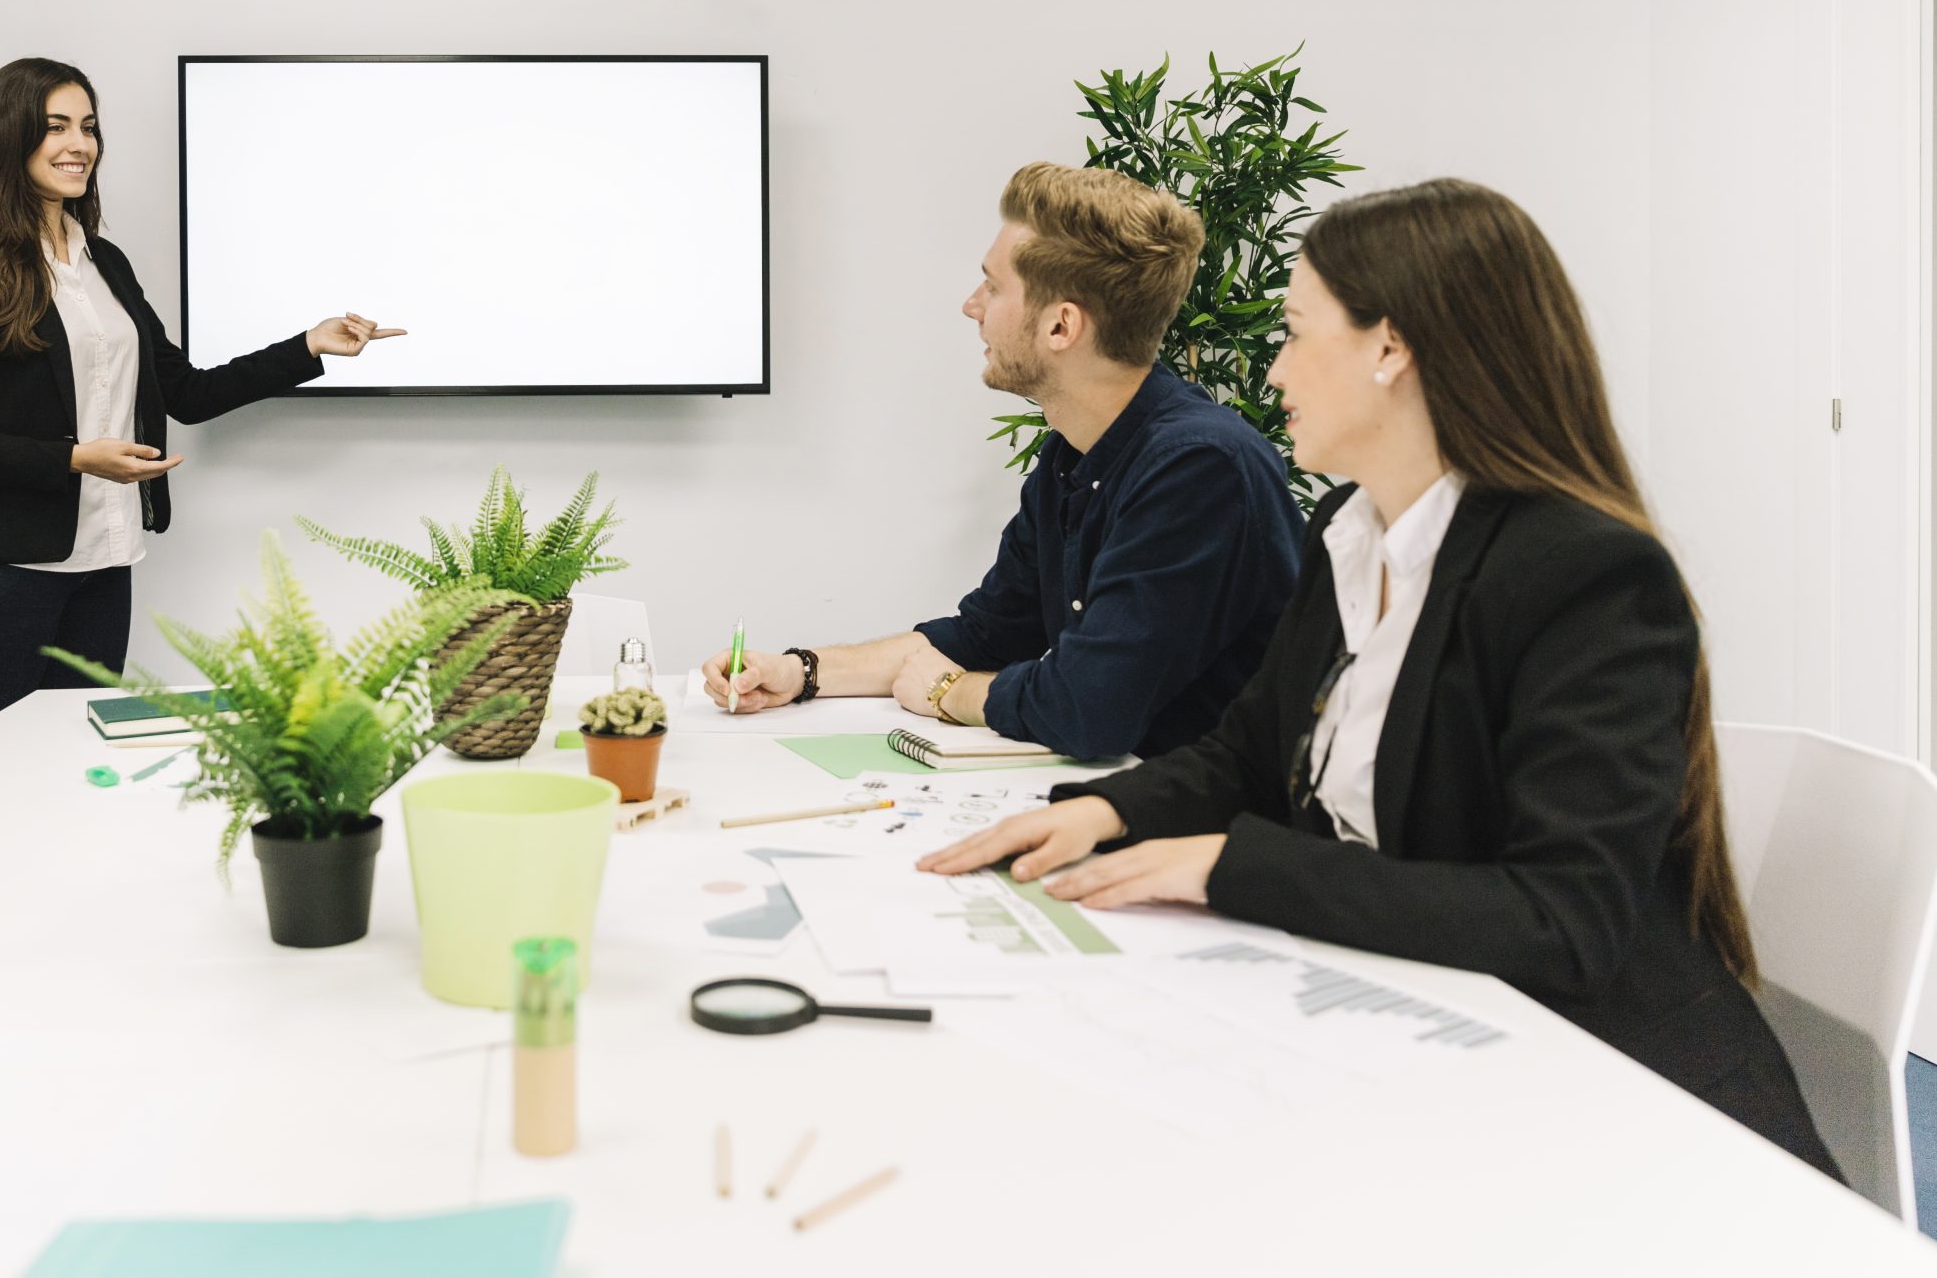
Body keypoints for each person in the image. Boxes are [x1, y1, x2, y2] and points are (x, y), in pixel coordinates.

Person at [920, 177, 1836, 1174]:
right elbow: (1247, 753)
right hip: (1425, 1034)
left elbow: (1561, 919)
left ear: (1388, 349)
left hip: (1619, 1105)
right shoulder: (1351, 534)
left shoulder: (1586, 576)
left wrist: (1227, 867)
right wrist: (1103, 813)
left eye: (1295, 333)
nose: (1272, 371)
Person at [702, 162, 1303, 760]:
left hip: (1209, 825)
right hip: (1129, 793)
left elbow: (1088, 709)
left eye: (992, 286)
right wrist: (799, 671)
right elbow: (987, 634)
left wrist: (950, 692)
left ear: (1061, 325)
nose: (972, 305)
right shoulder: (1073, 453)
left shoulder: (1199, 469)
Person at [0, 57, 401, 751]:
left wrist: (307, 345)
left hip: (105, 564)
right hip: (5, 573)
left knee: (72, 769)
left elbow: (185, 391)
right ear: (8, 136)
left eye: (89, 128)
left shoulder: (105, 263)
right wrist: (75, 458)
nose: (79, 144)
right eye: (56, 127)